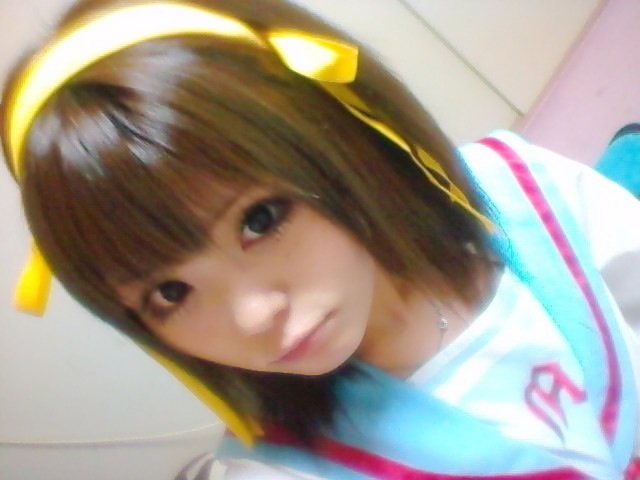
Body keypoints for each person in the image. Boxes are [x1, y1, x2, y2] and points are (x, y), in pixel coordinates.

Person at [2, 0, 640, 478]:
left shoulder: (525, 191)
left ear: (338, 134)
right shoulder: (285, 469)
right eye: (169, 293)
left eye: (259, 220)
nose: (253, 315)